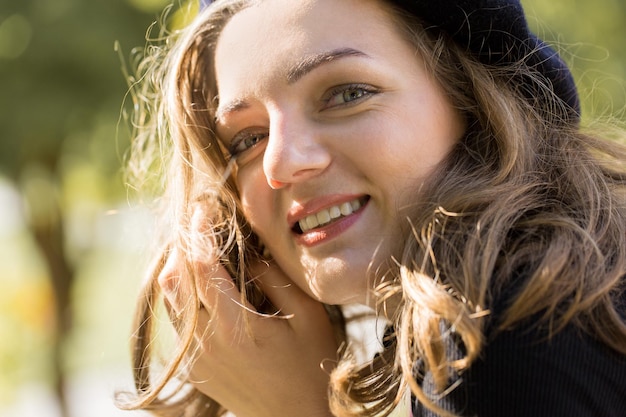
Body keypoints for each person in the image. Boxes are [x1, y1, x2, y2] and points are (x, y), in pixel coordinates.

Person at [118, 0, 626, 416]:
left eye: (346, 94)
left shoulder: (503, 330)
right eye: (248, 138)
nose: (281, 162)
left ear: (473, 102)